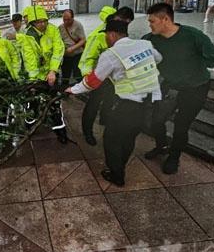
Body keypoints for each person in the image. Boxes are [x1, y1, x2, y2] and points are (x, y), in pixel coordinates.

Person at [66, 19, 162, 186]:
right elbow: (158, 59)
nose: (106, 40)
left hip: (128, 105)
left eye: (106, 36)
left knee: (111, 140)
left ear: (111, 34)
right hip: (150, 102)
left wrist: (73, 90)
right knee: (129, 137)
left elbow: (93, 81)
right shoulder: (145, 44)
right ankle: (121, 165)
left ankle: (117, 175)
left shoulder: (112, 54)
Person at [143, 3, 214, 174]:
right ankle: (161, 146)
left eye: (152, 21)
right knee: (156, 120)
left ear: (165, 19)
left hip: (196, 87)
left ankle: (174, 157)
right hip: (170, 86)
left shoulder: (193, 36)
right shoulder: (150, 39)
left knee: (181, 125)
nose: (150, 24)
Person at [78, 6, 135, 146]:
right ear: (116, 18)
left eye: (127, 24)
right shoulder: (99, 36)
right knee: (93, 105)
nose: (124, 26)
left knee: (109, 101)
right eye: (123, 22)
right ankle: (87, 132)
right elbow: (86, 59)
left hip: (113, 78)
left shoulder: (122, 33)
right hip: (98, 77)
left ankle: (105, 120)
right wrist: (89, 78)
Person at [23, 5, 68, 143]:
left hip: (52, 73)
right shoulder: (28, 37)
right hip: (36, 76)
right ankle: (30, 125)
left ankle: (60, 131)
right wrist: (33, 81)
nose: (43, 24)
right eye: (39, 22)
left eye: (44, 20)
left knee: (54, 103)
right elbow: (30, 60)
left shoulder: (53, 30)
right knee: (34, 103)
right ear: (32, 23)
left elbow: (58, 50)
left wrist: (53, 71)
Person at [59, 9, 86, 86]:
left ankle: (81, 88)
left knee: (77, 73)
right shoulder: (60, 27)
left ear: (73, 18)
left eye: (68, 20)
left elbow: (83, 40)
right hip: (66, 55)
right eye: (64, 19)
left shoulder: (78, 25)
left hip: (77, 54)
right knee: (65, 74)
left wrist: (72, 48)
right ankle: (64, 89)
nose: (66, 22)